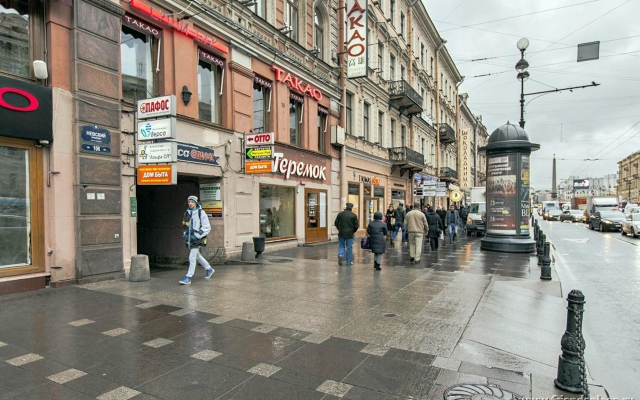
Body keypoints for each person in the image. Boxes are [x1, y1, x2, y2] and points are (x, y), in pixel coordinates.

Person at [180, 196, 214, 285]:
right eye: (189, 202)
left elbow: (207, 227)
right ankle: (209, 269)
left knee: (192, 257)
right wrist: (185, 234)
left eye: (192, 202)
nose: (190, 203)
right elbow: (184, 225)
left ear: (196, 203)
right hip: (189, 239)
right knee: (197, 256)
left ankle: (188, 277)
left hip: (197, 239)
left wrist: (198, 235)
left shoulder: (201, 213)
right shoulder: (187, 213)